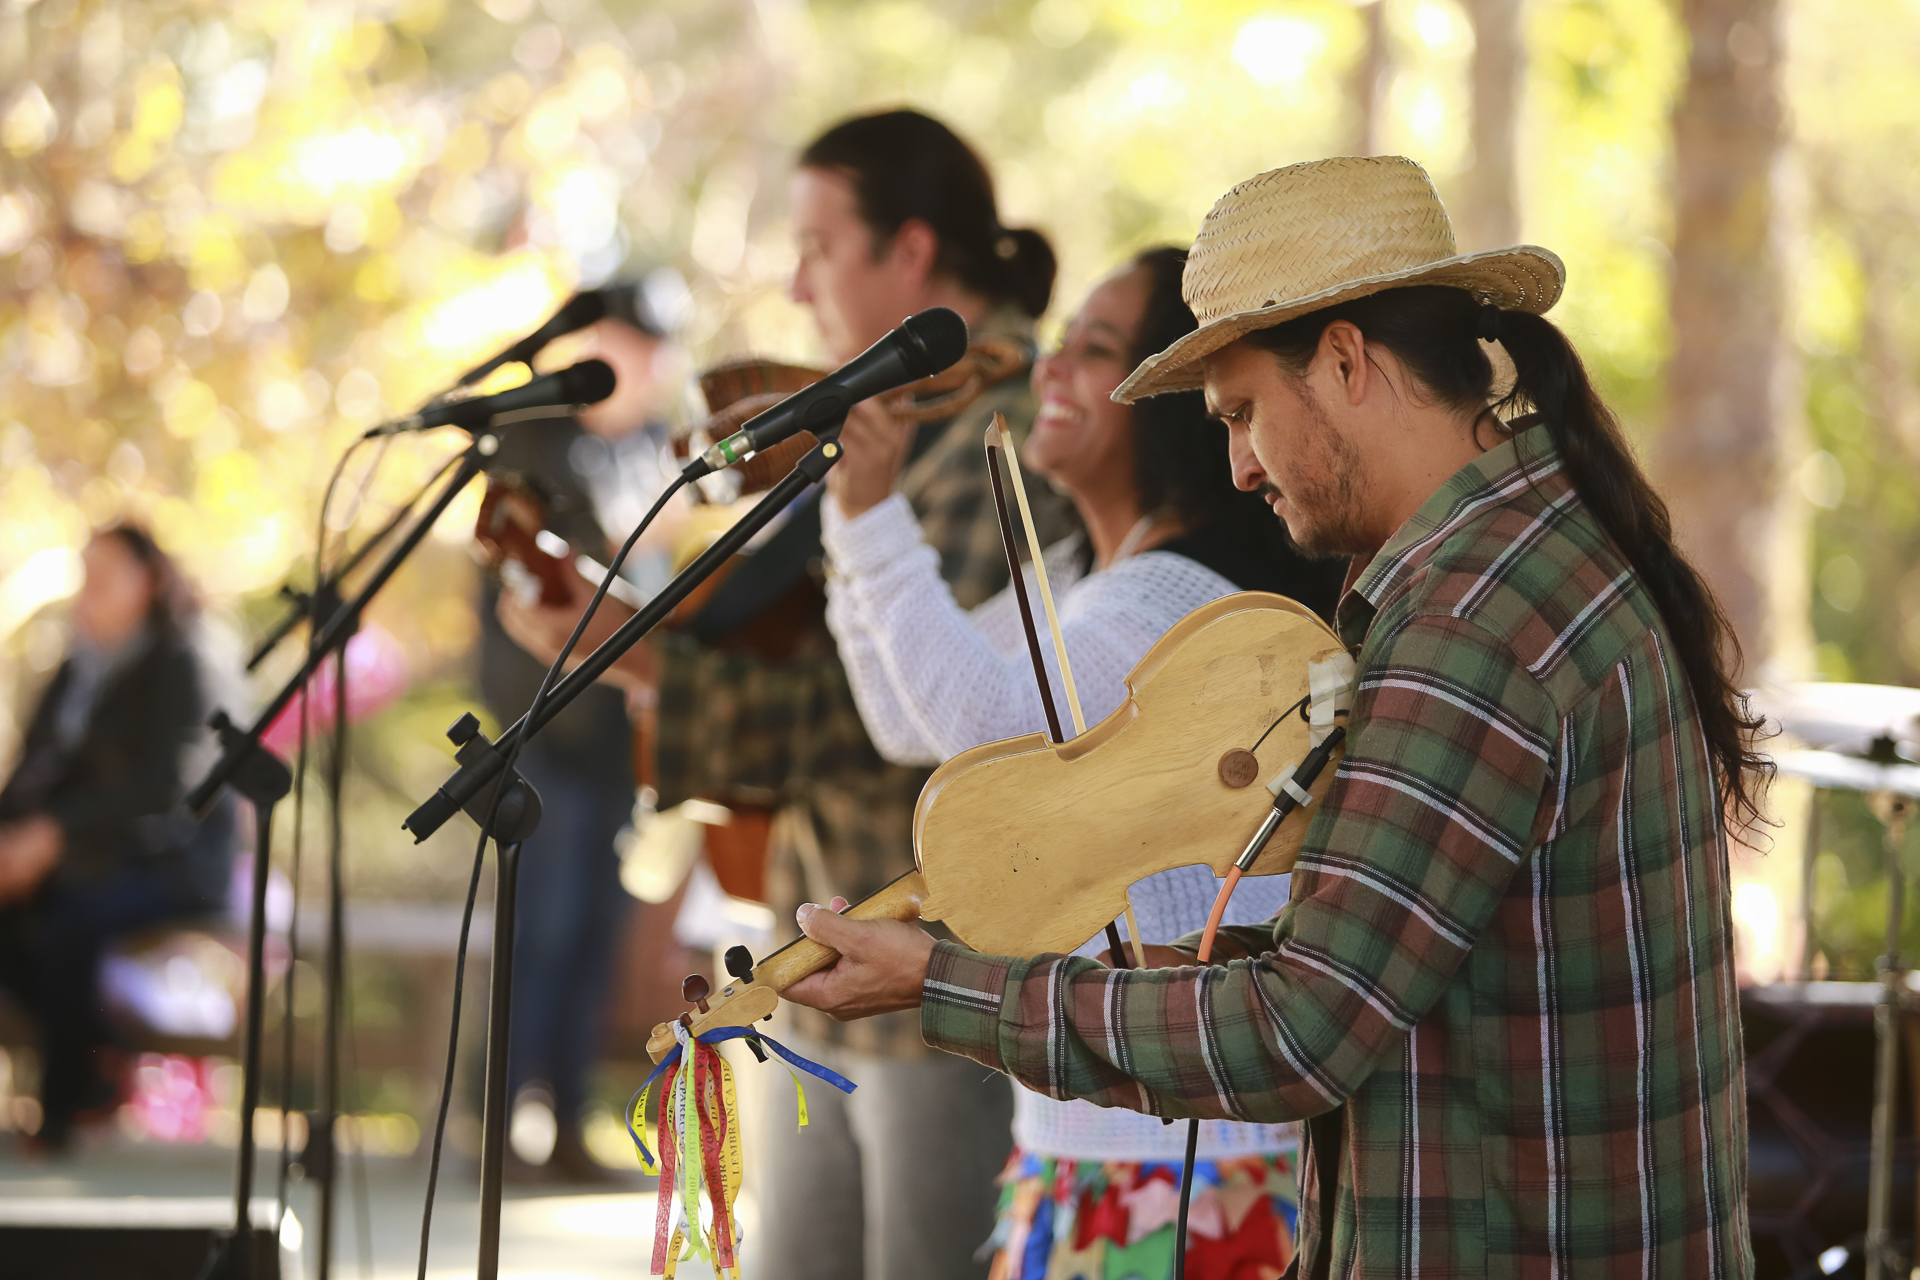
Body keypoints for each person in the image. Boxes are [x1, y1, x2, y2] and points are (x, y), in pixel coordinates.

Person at [782, 156, 1762, 1276]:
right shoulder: (1531, 550)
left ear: (1346, 360)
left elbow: (1302, 1032)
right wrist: (1169, 966)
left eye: (1245, 412)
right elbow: (1409, 955)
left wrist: (938, 981)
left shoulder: (1468, 624)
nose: (1238, 464)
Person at [500, 109, 1072, 1280]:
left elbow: (913, 721)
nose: (797, 282)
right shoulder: (895, 417)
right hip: (822, 950)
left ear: (910, 253)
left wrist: (639, 653)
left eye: (818, 246)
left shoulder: (1007, 421)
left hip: (939, 965)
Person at [821, 244, 1347, 1277]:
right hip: (1090, 1143)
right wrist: (852, 521)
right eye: (1057, 344)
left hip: (1187, 1167)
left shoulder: (1179, 595)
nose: (1051, 369)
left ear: (1171, 400)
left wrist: (875, 515)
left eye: (1094, 349)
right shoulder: (1081, 574)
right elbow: (902, 716)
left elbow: (987, 724)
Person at [476, 278, 681, 1182]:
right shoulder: (537, 444)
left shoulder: (644, 447)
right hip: (544, 726)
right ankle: (497, 1124)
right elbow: (542, 587)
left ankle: (564, 1122)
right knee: (544, 929)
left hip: (620, 731)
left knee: (596, 931)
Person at [0, 522, 237, 1153]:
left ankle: (58, 1110)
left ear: (147, 581)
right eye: (88, 575)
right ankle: (100, 1057)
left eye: (106, 575)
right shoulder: (77, 665)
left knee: (68, 921)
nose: (91, 591)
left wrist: (53, 837)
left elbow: (163, 789)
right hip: (80, 856)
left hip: (168, 860)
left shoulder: (179, 661)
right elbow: (33, 769)